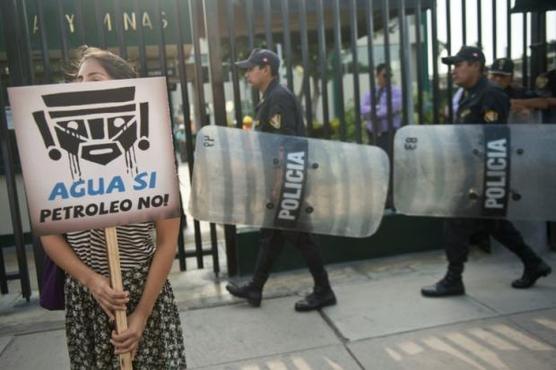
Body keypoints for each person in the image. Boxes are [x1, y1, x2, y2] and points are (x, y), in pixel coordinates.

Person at [40, 47, 186, 369]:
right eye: (77, 79)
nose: (81, 85)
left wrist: (141, 314)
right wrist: (92, 282)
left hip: (141, 291)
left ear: (121, 88)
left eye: (93, 78)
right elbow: (49, 236)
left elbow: (166, 242)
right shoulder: (56, 159)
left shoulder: (154, 153)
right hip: (88, 299)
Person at [421, 46, 552, 297]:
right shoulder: (470, 95)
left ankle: (453, 279)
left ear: (475, 65)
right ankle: (534, 263)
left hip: (483, 173)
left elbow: (494, 138)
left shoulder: (490, 94)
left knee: (455, 221)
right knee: (493, 223)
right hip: (474, 171)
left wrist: (480, 177)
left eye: (458, 65)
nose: (454, 71)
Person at [226, 48, 337, 312]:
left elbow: (283, 145)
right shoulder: (271, 97)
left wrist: (278, 184)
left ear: (266, 69)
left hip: (289, 178)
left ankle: (324, 290)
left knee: (300, 236)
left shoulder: (278, 99)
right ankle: (256, 287)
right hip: (287, 177)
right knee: (271, 235)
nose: (247, 73)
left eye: (251, 68)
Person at [361, 63, 402, 151]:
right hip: (372, 134)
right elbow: (363, 110)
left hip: (388, 134)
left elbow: (391, 109)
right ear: (377, 75)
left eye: (389, 75)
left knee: (388, 158)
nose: (388, 78)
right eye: (385, 75)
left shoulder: (396, 92)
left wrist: (373, 111)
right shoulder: (371, 92)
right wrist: (379, 109)